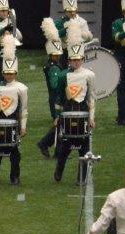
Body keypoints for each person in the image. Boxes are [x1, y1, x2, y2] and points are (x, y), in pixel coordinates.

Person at [54, 28, 95, 184]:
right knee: (65, 146)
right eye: (73, 60)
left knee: (84, 147)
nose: (76, 62)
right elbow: (59, 98)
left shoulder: (89, 75)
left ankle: (81, 177)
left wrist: (91, 118)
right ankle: (59, 170)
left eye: (79, 59)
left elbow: (91, 98)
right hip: (67, 111)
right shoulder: (62, 75)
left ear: (83, 59)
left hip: (83, 111)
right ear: (69, 60)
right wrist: (57, 116)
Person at [0, 35, 27, 185]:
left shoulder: (22, 88)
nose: (9, 76)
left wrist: (23, 126)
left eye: (12, 73)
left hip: (14, 120)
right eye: (7, 73)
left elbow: (24, 109)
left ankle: (14, 176)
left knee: (14, 151)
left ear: (16, 73)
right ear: (3, 73)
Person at [37, 18, 64, 159]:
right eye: (55, 54)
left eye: (58, 54)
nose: (58, 56)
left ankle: (45, 144)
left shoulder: (53, 65)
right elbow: (55, 84)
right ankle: (55, 151)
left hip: (55, 98)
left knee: (59, 126)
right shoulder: (54, 68)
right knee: (60, 126)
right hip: (56, 99)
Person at [55, 0, 93, 68]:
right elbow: (55, 36)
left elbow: (89, 37)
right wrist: (66, 30)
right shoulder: (60, 22)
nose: (72, 13)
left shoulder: (82, 21)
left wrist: (78, 32)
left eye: (74, 10)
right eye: (69, 11)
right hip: (64, 52)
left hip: (79, 50)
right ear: (65, 11)